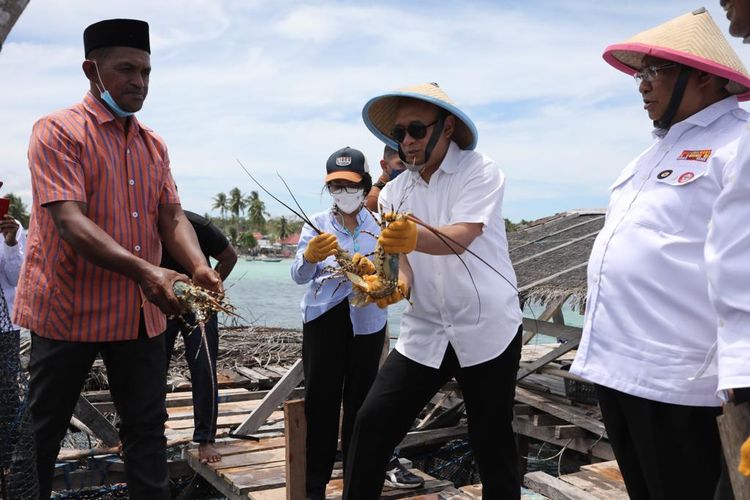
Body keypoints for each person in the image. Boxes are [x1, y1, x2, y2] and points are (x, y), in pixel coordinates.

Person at [13, 19, 222, 499]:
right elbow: (70, 222)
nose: (140, 82)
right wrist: (148, 270)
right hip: (68, 310)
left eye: (146, 71)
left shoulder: (153, 144)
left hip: (139, 316)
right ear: (93, 70)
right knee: (42, 432)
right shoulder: (58, 131)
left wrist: (197, 267)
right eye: (127, 69)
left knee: (147, 429)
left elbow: (171, 218)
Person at [569, 8, 750, 499]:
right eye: (640, 75)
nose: (643, 85)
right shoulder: (650, 155)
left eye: (656, 72)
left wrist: (743, 385)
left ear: (707, 77)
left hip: (681, 382)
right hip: (617, 371)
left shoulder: (739, 142)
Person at [343, 83, 523, 500]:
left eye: (417, 130)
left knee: (492, 440)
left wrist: (412, 237)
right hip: (426, 327)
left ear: (447, 128)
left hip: (486, 326)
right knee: (372, 424)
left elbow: (461, 236)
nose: (406, 141)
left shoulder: (481, 171)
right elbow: (400, 262)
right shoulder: (392, 192)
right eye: (399, 133)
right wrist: (394, 284)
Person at [292, 147, 422, 499]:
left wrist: (392, 288)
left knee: (361, 407)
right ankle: (315, 488)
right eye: (334, 184)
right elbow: (298, 275)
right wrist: (308, 256)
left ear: (365, 185)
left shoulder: (380, 224)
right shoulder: (315, 223)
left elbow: (394, 272)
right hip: (324, 320)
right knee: (320, 405)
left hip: (368, 322)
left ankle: (356, 486)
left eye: (348, 185)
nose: (342, 191)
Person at [162, 210, 237, 464]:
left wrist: (211, 287)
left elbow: (229, 257)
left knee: (204, 366)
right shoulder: (140, 225)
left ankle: (206, 439)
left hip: (196, 303)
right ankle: (152, 432)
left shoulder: (196, 224)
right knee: (151, 369)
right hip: (159, 302)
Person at [365, 145, 405, 212]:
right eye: (401, 164)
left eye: (409, 163)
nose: (407, 169)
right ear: (385, 166)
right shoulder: (374, 199)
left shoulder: (403, 188)